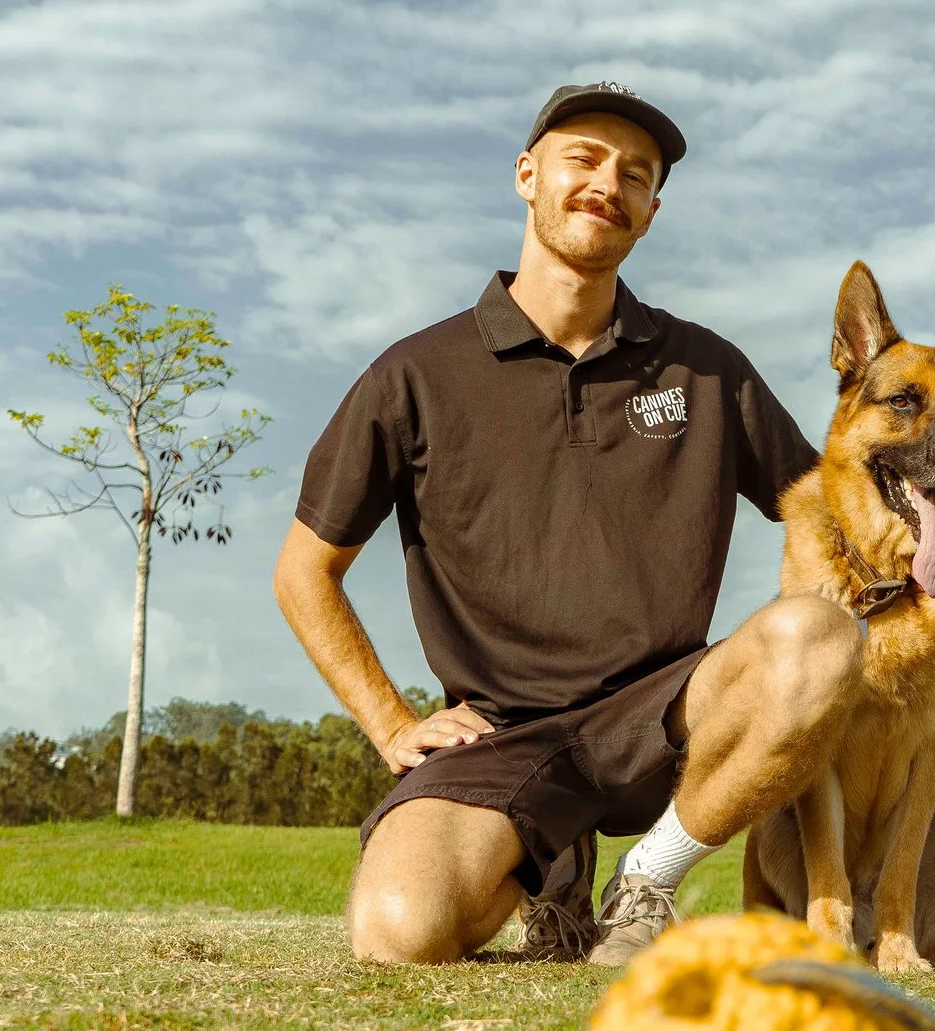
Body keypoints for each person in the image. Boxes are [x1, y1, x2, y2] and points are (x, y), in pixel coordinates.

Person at [273, 82, 861, 965]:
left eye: (634, 174)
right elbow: (302, 572)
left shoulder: (705, 368)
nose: (606, 184)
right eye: (583, 159)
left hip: (672, 714)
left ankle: (647, 881)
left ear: (651, 212)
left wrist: (931, 464)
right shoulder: (415, 375)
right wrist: (392, 723)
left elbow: (831, 510)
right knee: (401, 931)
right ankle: (549, 869)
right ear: (527, 175)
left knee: (818, 636)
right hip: (501, 732)